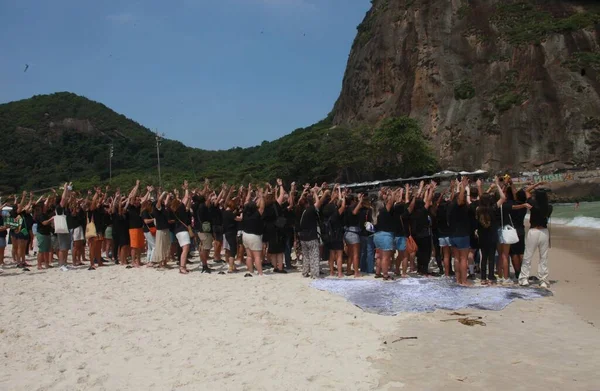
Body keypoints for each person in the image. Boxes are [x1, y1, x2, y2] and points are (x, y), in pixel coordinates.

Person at [519, 185, 553, 289]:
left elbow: (526, 191)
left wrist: (536, 185)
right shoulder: (549, 207)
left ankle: (524, 278)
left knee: (528, 255)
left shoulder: (533, 203)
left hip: (533, 231)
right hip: (544, 232)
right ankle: (543, 280)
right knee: (543, 257)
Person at [476, 181, 506, 284]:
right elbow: (503, 198)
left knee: (484, 257)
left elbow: (479, 199)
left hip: (482, 237)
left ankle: (483, 278)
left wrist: (480, 187)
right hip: (492, 236)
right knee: (491, 257)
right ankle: (491, 277)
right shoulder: (493, 208)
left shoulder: (478, 209)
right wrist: (497, 185)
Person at [297, 185, 324, 279]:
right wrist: (315, 193)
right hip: (311, 236)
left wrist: (305, 192)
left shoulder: (299, 210)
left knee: (306, 256)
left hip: (303, 236)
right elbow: (318, 203)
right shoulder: (311, 210)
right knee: (314, 255)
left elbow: (300, 201)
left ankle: (305, 272)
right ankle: (314, 274)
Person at [241, 184, 266, 277]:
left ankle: (251, 271)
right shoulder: (256, 214)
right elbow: (262, 207)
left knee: (249, 255)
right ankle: (260, 273)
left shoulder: (245, 212)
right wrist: (261, 195)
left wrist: (249, 190)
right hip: (254, 236)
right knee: (257, 256)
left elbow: (246, 201)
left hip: (245, 234)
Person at [323, 186, 346, 278]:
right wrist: (343, 197)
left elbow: (330, 204)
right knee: (339, 254)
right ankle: (340, 273)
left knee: (332, 254)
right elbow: (343, 206)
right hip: (338, 234)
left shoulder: (328, 213)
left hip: (330, 235)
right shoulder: (337, 213)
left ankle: (332, 272)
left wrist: (335, 195)